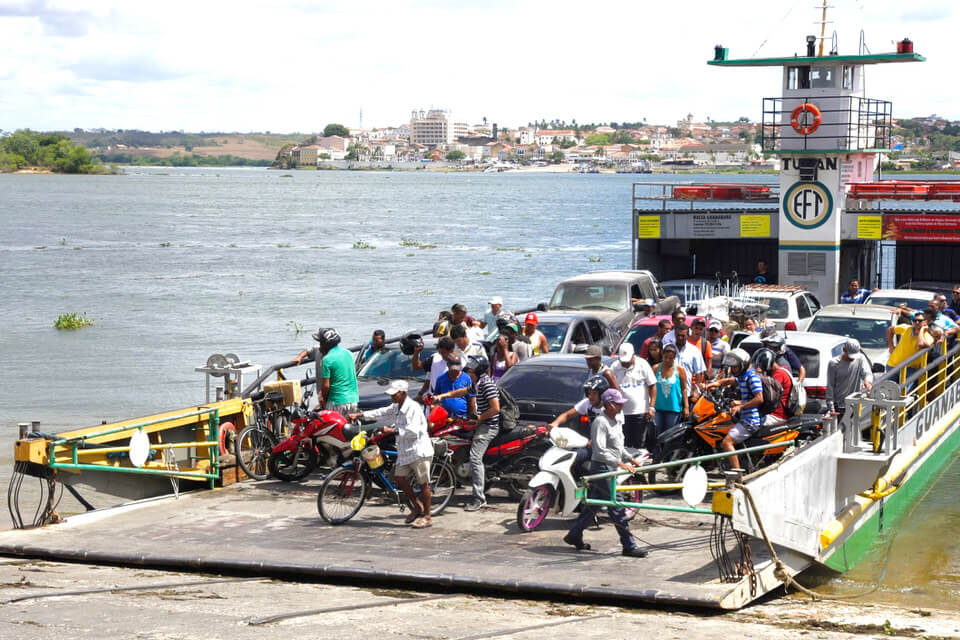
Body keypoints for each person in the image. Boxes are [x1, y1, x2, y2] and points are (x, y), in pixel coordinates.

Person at [563, 388, 649, 558]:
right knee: (617, 505)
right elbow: (600, 450)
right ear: (609, 404)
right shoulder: (600, 422)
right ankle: (629, 546)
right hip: (602, 467)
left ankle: (574, 535)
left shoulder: (615, 421)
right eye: (618, 403)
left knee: (593, 505)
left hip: (611, 468)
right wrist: (620, 463)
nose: (621, 406)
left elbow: (619, 447)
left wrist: (631, 459)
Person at [349, 380, 434, 528]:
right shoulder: (396, 406)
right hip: (404, 450)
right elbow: (382, 412)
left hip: (418, 450)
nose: (392, 397)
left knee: (423, 484)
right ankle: (416, 505)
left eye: (395, 394)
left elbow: (414, 431)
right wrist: (361, 415)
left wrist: (392, 431)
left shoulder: (413, 408)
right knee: (399, 478)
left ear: (403, 393)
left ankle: (427, 516)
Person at [707, 349, 763, 472]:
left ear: (743, 365)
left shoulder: (752, 378)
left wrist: (740, 406)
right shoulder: (744, 376)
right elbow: (730, 380)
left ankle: (736, 476)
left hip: (750, 421)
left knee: (727, 442)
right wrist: (715, 384)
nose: (732, 370)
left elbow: (759, 398)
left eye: (735, 367)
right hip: (743, 417)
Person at [462, 355, 500, 512]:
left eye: (471, 371)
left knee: (475, 458)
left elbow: (495, 408)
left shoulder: (487, 384)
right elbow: (463, 391)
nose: (469, 373)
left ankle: (479, 498)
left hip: (488, 426)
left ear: (478, 371)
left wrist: (479, 418)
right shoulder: (478, 383)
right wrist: (441, 396)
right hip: (482, 424)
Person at [294, 327, 359, 415]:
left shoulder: (327, 359)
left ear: (326, 344)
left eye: (321, 343)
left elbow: (326, 386)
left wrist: (323, 401)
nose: (319, 347)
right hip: (353, 400)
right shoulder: (349, 354)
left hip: (336, 402)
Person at [610, 343, 656, 450]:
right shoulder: (615, 367)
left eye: (627, 360)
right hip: (621, 413)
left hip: (640, 412)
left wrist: (651, 407)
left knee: (638, 443)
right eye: (623, 361)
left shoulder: (643, 364)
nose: (625, 363)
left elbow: (652, 385)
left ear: (633, 355)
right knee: (623, 442)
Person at [826, 339, 873, 417]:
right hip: (840, 406)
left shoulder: (860, 358)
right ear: (844, 350)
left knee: (854, 428)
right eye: (850, 355)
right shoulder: (834, 363)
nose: (852, 358)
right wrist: (831, 407)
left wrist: (867, 381)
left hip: (854, 404)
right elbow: (830, 386)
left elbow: (867, 373)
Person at [653, 343, 689, 443]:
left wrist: (686, 407)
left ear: (674, 358)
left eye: (670, 358)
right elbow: (651, 387)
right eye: (665, 357)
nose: (667, 360)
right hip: (658, 408)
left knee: (671, 436)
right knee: (657, 434)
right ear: (662, 356)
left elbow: (684, 389)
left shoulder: (680, 370)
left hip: (673, 409)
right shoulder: (656, 369)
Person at [412, 336, 463, 401]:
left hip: (452, 400)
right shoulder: (435, 358)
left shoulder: (461, 360)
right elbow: (417, 366)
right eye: (440, 353)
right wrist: (416, 352)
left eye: (444, 353)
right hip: (434, 399)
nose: (442, 355)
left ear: (451, 350)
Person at [751, 348, 792, 427]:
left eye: (761, 364)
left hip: (776, 415)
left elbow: (765, 397)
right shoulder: (780, 371)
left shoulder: (779, 375)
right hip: (774, 413)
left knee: (748, 424)